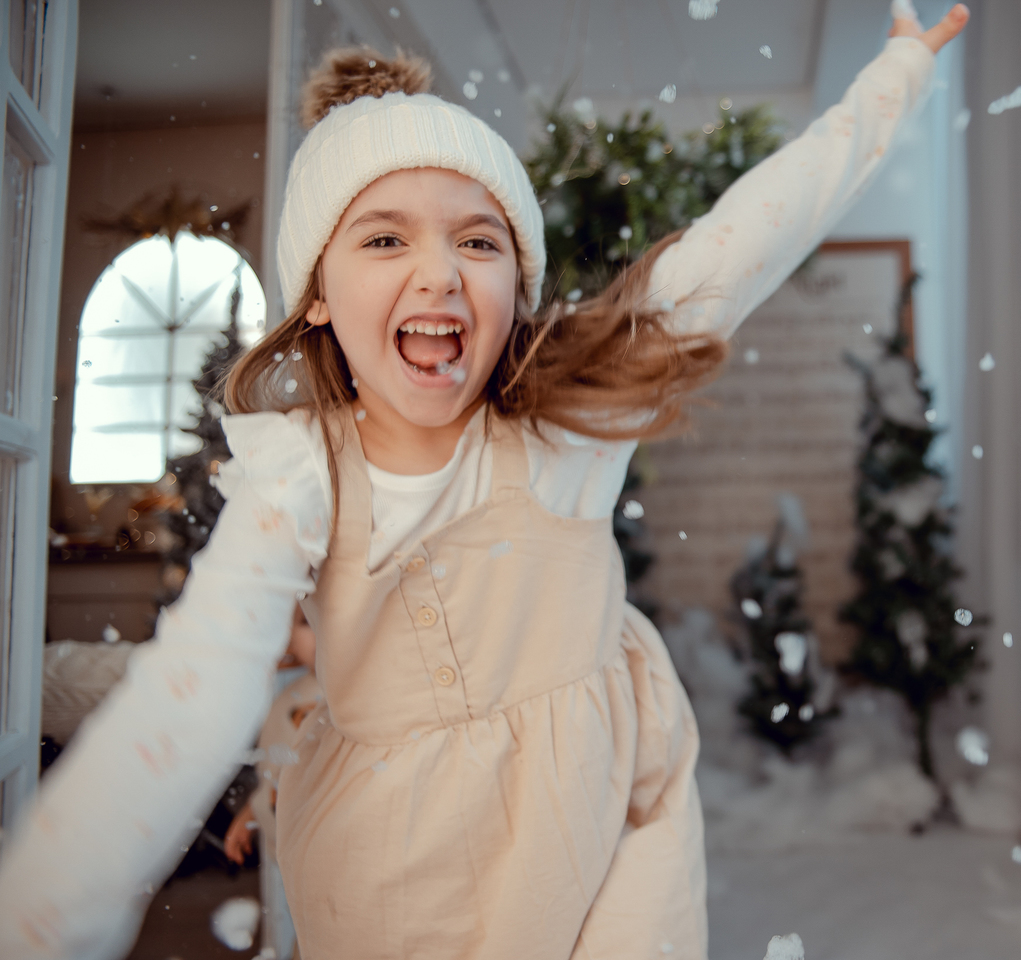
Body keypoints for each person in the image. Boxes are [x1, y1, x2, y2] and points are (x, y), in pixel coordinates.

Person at [0, 5, 968, 957]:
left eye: (478, 241)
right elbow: (200, 671)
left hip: (595, 825)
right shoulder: (296, 475)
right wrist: (50, 905)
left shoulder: (567, 429)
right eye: (385, 239)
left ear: (517, 287)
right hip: (386, 867)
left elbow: (741, 242)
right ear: (320, 297)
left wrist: (892, 82)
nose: (440, 274)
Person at [224, 606, 319, 960]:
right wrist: (251, 813)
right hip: (288, 853)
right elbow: (274, 772)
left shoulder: (349, 701)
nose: (324, 628)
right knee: (298, 933)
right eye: (307, 622)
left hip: (329, 852)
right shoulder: (288, 696)